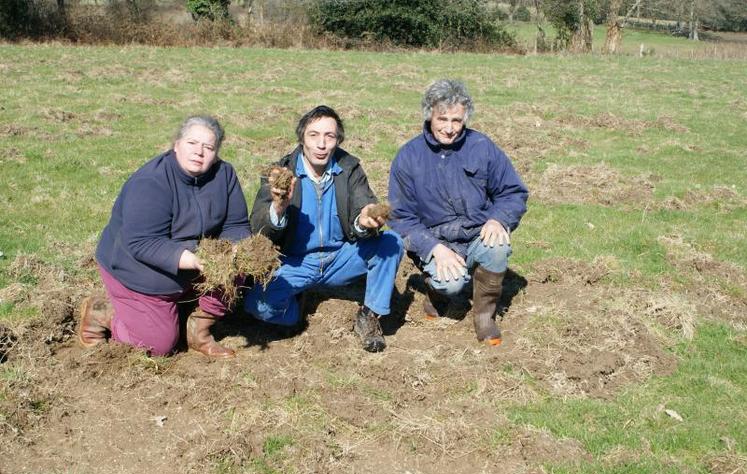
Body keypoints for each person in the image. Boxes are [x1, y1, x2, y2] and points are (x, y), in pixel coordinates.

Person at [77, 115, 252, 358]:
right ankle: (103, 311)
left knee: (241, 265)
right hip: (140, 271)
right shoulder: (151, 182)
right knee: (158, 345)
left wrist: (233, 249)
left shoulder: (224, 175)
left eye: (208, 147)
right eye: (192, 143)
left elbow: (236, 224)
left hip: (193, 263)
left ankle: (197, 331)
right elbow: (142, 242)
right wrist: (193, 260)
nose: (199, 152)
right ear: (176, 144)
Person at [243, 105, 403, 353]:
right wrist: (278, 208)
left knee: (390, 242)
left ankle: (369, 316)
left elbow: (363, 205)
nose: (322, 144)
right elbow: (259, 229)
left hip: (340, 257)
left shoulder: (349, 168)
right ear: (302, 139)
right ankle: (296, 306)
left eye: (330, 136)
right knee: (258, 304)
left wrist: (364, 221)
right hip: (296, 263)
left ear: (337, 140)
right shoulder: (280, 173)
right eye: (314, 135)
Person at [388, 80, 528, 346]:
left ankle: (485, 317)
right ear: (429, 114)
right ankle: (435, 292)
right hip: (436, 240)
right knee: (450, 284)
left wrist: (499, 218)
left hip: (476, 233)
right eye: (442, 119)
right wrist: (433, 248)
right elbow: (400, 217)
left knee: (498, 246)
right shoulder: (408, 156)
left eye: (457, 120)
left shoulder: (482, 147)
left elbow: (513, 192)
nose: (450, 128)